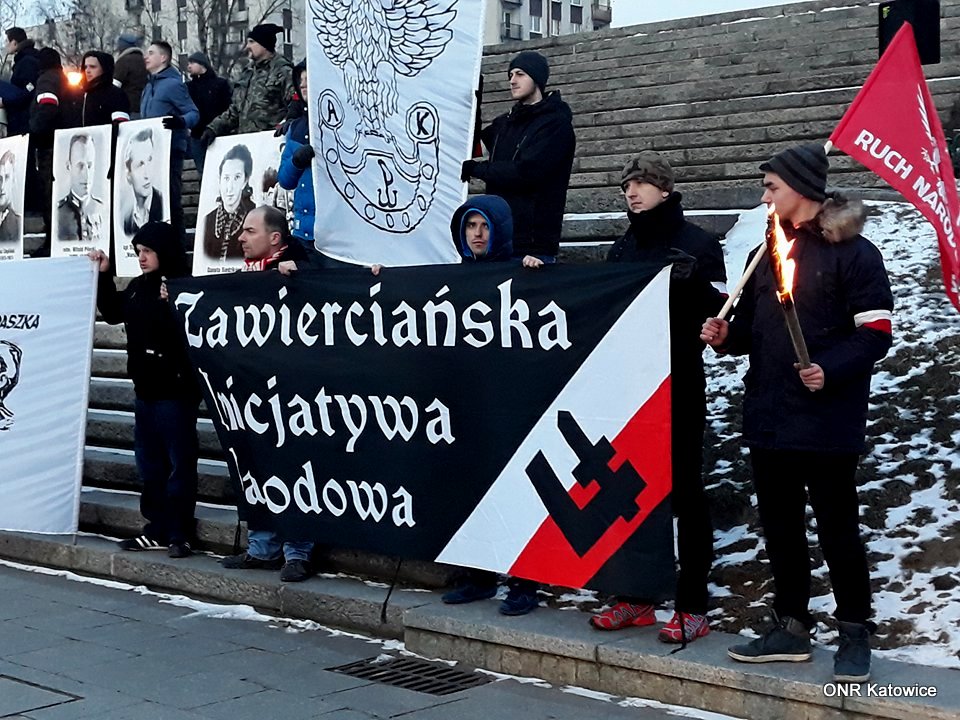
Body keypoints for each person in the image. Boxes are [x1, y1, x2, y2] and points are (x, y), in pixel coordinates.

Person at [701, 143, 894, 683]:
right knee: (781, 527)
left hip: (827, 417)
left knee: (837, 527)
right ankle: (791, 625)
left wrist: (829, 370)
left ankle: (854, 630)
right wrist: (726, 336)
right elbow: (753, 331)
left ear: (803, 189)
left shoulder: (854, 253)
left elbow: (876, 333)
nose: (765, 197)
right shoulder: (764, 252)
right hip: (770, 413)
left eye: (772, 187)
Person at [587, 152, 727, 644]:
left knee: (686, 493)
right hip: (629, 386)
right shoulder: (622, 247)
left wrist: (691, 290)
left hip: (679, 382)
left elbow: (721, 314)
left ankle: (693, 605)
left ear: (665, 190)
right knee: (632, 492)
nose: (632, 191)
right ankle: (636, 596)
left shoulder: (699, 243)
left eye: (642, 183)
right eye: (627, 185)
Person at [436, 195, 538, 616]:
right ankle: (477, 575)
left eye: (484, 226)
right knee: (471, 489)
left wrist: (537, 276)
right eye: (470, 226)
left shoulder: (521, 271)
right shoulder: (453, 278)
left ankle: (525, 582)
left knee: (515, 492)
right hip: (467, 400)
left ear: (500, 230)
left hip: (512, 402)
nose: (477, 234)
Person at [90, 221, 201, 558]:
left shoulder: (183, 286)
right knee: (150, 466)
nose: (141, 257)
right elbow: (113, 313)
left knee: (179, 465)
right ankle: (156, 527)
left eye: (148, 251)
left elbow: (196, 332)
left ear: (164, 252)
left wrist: (176, 304)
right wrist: (105, 275)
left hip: (176, 391)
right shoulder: (139, 287)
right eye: (138, 251)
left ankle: (180, 532)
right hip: (146, 391)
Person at [220, 205, 314, 582]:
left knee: (295, 469)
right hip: (254, 390)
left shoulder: (302, 270)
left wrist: (302, 273)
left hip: (293, 394)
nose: (240, 237)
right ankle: (262, 547)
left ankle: (297, 551)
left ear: (275, 238)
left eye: (249, 231)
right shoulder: (248, 275)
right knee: (256, 467)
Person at [460, 50, 575, 264]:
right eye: (510, 75)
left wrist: (478, 169)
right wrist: (473, 103)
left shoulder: (556, 124)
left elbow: (528, 172)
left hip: (532, 246)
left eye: (520, 74)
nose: (512, 81)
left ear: (537, 79)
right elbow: (472, 147)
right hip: (498, 239)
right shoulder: (505, 123)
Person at [140, 40, 199, 244]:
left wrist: (180, 122)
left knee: (171, 200)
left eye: (151, 53)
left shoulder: (173, 85)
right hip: (149, 152)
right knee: (153, 202)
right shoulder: (148, 86)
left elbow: (193, 113)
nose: (146, 57)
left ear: (163, 57)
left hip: (170, 151)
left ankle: (178, 247)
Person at [202, 24, 293, 142]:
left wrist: (283, 128)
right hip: (246, 142)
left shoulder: (283, 71)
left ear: (264, 44)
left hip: (271, 142)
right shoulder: (248, 72)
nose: (247, 46)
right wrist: (213, 128)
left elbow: (294, 108)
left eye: (251, 42)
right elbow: (235, 111)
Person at [29, 47, 68, 257]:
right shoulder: (62, 78)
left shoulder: (46, 80)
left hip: (48, 144)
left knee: (48, 193)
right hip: (61, 142)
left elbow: (47, 106)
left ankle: (50, 242)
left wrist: (34, 131)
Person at [276, 61, 314, 250]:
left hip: (336, 235)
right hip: (304, 233)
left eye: (308, 78)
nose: (303, 84)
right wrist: (296, 161)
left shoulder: (342, 124)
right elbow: (285, 180)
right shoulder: (296, 128)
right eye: (301, 80)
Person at [202, 143, 256, 259]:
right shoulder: (208, 220)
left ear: (245, 181)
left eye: (237, 178)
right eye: (226, 178)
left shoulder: (256, 217)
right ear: (220, 180)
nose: (230, 187)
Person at [185, 51, 231, 177]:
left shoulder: (220, 84)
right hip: (197, 135)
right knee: (203, 172)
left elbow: (228, 107)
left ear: (202, 64)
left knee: (221, 170)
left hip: (218, 134)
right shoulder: (188, 87)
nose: (189, 66)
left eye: (192, 63)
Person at [57, 134, 106, 244]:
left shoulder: (103, 209)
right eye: (80, 166)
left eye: (90, 166)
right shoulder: (58, 213)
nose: (86, 175)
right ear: (69, 166)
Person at [121, 128, 164, 236]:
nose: (147, 174)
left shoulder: (163, 205)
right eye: (140, 165)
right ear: (128, 174)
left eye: (149, 160)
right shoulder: (126, 220)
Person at [73, 51, 130, 127]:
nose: (88, 71)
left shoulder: (116, 94)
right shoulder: (79, 95)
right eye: (85, 67)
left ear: (104, 68)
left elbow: (122, 126)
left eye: (92, 67)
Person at [3, 28, 39, 138]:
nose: (5, 45)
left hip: (23, 125)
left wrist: (4, 101)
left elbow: (27, 93)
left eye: (6, 41)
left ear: (14, 43)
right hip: (23, 122)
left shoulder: (27, 62)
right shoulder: (26, 59)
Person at [114, 31, 147, 118]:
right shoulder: (145, 61)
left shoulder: (124, 61)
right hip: (145, 106)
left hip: (129, 108)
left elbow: (115, 85)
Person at [0, 150, 22, 244]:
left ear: (13, 181)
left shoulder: (18, 224)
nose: (2, 186)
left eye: (7, 177)